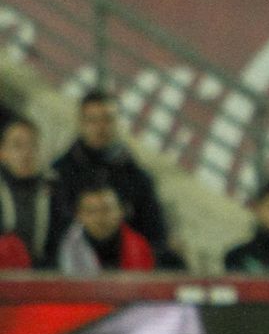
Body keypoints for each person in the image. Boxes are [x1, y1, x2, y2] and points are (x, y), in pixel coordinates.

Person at [52, 90, 180, 269]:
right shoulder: (59, 174)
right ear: (81, 123)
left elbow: (156, 233)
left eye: (107, 119)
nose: (100, 127)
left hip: (131, 273)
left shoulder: (137, 176)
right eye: (92, 120)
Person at [0, 117, 68, 268]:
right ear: (2, 152)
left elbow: (61, 239)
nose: (26, 152)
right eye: (17, 145)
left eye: (32, 145)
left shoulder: (55, 188)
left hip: (41, 278)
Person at [56, 180, 156, 273]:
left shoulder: (143, 248)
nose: (99, 218)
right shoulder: (59, 250)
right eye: (91, 211)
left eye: (106, 209)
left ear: (122, 211)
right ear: (78, 215)